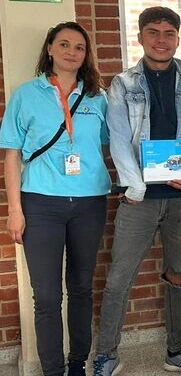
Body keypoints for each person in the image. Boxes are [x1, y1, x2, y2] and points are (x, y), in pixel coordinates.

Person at [92, 7, 181, 376]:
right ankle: (106, 354)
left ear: (178, 38)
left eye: (168, 33)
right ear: (140, 37)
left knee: (179, 274)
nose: (161, 40)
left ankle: (177, 350)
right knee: (119, 277)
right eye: (153, 32)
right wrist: (135, 185)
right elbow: (118, 140)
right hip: (140, 198)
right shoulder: (122, 84)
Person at [0, 22, 109, 376]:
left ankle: (78, 363)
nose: (72, 52)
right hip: (41, 203)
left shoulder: (97, 97)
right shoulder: (25, 95)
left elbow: (114, 145)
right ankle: (53, 369)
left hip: (90, 202)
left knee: (81, 288)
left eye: (79, 47)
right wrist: (14, 211)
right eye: (64, 44)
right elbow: (12, 155)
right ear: (49, 49)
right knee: (46, 297)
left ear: (85, 54)